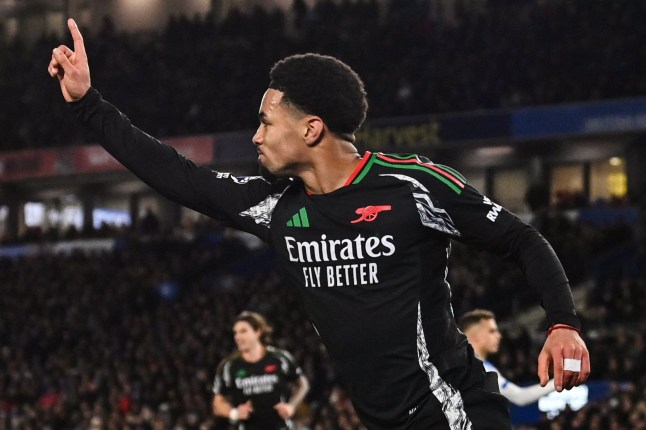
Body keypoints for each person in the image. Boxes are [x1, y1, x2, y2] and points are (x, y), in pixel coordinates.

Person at [48, 18, 590, 429]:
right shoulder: (278, 207)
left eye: (265, 120)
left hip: (452, 413)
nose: (255, 135)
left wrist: (562, 322)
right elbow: (177, 176)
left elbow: (521, 238)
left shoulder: (411, 185)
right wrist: (88, 105)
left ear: (311, 129)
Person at [212, 311, 310, 430]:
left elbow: (302, 384)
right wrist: (234, 413)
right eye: (235, 333)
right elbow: (217, 403)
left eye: (243, 331)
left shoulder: (280, 358)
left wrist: (291, 406)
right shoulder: (229, 366)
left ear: (258, 332)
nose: (237, 337)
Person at [458, 309, 556, 406]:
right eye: (492, 331)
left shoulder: (482, 366)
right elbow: (520, 397)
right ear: (475, 335)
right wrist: (560, 379)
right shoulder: (472, 368)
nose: (499, 336)